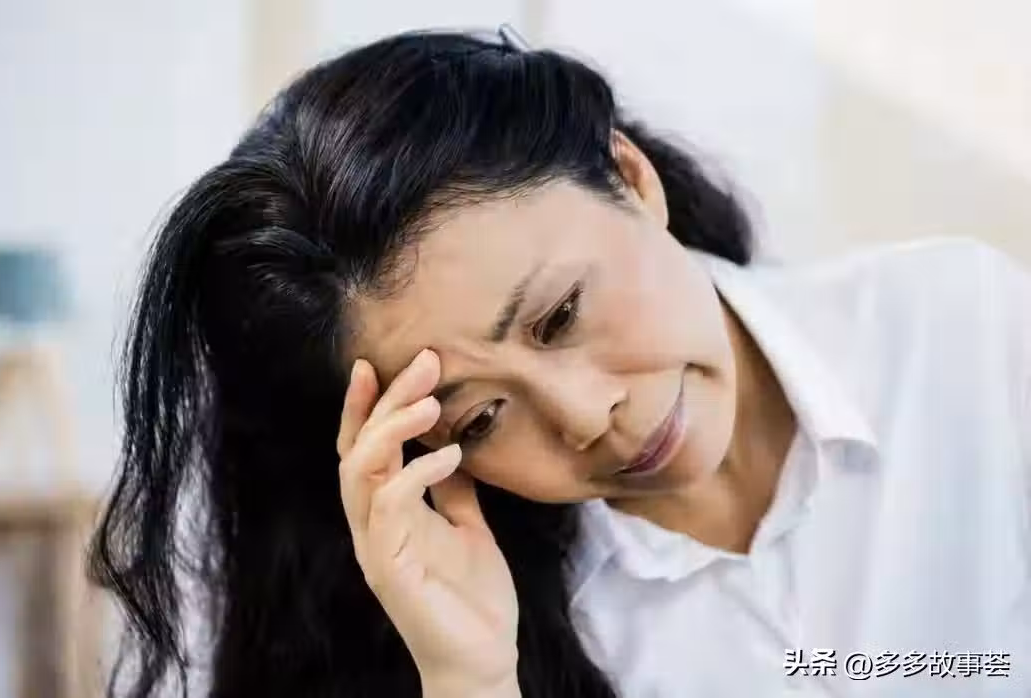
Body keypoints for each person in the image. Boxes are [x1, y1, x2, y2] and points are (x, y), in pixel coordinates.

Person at [88, 27, 1031, 698]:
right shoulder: (460, 613)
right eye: (480, 419)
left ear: (631, 178)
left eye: (561, 316)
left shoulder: (964, 332)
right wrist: (469, 677)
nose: (583, 416)